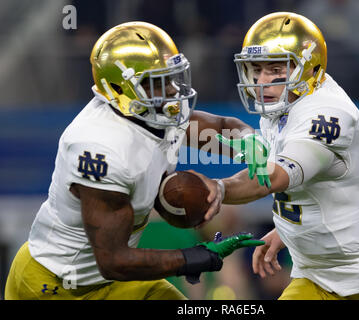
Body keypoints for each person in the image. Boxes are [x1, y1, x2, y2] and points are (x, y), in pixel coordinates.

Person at [4, 21, 265, 300]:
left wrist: (250, 140)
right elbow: (114, 261)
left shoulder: (152, 112)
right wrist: (194, 257)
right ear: (119, 88)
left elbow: (221, 127)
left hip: (111, 280)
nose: (171, 91)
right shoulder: (99, 148)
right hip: (57, 283)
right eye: (157, 83)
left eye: (171, 78)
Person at [205, 12, 359, 300]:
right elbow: (316, 189)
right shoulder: (285, 103)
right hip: (314, 276)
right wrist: (285, 231)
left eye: (275, 69)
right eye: (256, 69)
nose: (262, 81)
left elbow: (274, 177)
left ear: (310, 69)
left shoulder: (328, 114)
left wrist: (219, 188)